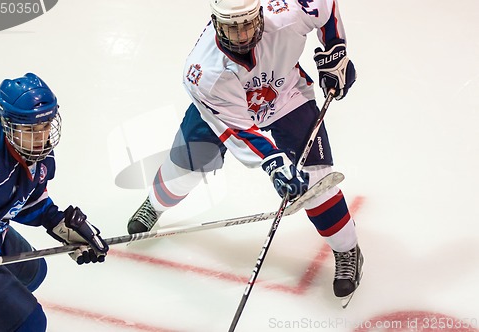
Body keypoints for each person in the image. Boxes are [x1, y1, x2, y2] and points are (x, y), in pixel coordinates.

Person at [128, 0, 363, 304]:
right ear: (215, 22)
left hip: (285, 95)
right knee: (185, 168)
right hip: (225, 110)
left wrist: (335, 51)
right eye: (231, 27)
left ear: (260, 14)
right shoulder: (204, 72)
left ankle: (347, 248)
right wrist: (274, 162)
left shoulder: (288, 15)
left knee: (316, 181)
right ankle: (155, 204)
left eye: (247, 25)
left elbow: (326, 8)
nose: (240, 36)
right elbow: (238, 129)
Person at [0, 73, 109, 331]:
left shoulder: (35, 153)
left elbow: (24, 200)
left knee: (33, 273)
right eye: (30, 130)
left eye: (45, 126)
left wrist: (59, 223)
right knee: (31, 324)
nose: (40, 138)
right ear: (8, 125)